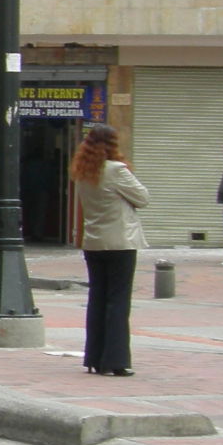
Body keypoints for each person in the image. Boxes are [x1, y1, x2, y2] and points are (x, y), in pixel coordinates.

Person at [72, 123, 148, 376]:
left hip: (94, 242)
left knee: (97, 298)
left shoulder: (83, 171)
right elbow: (143, 198)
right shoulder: (117, 170)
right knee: (118, 300)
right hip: (120, 242)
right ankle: (116, 360)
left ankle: (94, 357)